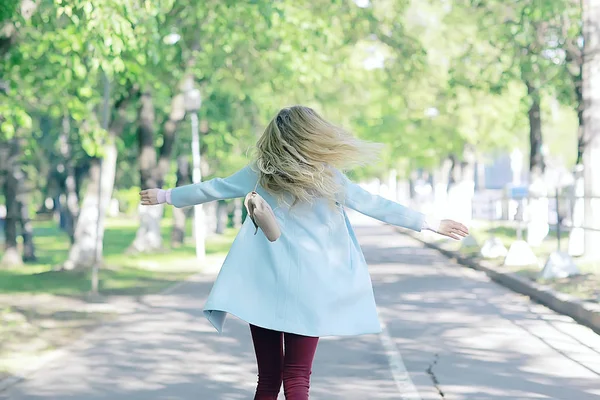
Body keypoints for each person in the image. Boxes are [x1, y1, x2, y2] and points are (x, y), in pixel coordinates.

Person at [139, 106, 469, 400]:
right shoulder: (329, 179)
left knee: (267, 380)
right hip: (311, 289)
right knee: (297, 379)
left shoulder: (260, 173)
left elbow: (214, 187)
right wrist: (430, 222)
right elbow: (376, 205)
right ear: (313, 137)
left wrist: (167, 195)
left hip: (264, 288)